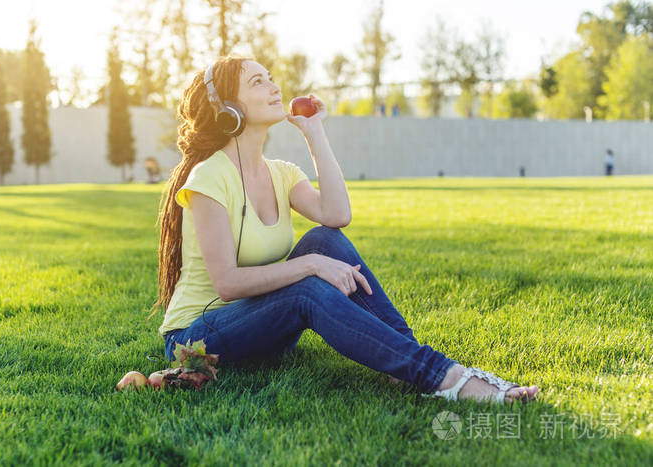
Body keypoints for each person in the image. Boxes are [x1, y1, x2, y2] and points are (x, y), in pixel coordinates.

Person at [150, 55, 539, 404]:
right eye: (257, 82)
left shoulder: (280, 173)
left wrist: (315, 132)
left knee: (325, 240)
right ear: (229, 110)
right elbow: (228, 285)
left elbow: (336, 215)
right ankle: (442, 376)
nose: (274, 87)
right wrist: (311, 266)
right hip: (196, 340)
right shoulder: (209, 177)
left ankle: (403, 361)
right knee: (308, 281)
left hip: (261, 332)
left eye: (270, 78)